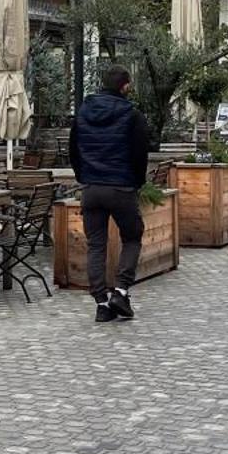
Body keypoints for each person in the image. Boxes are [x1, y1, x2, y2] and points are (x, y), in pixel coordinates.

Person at [69, 64, 151, 324]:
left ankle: (101, 304)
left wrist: (84, 177)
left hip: (91, 187)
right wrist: (136, 183)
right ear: (125, 86)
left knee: (96, 245)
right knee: (132, 237)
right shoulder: (132, 115)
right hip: (121, 186)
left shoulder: (83, 112)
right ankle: (121, 291)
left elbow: (73, 149)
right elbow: (141, 154)